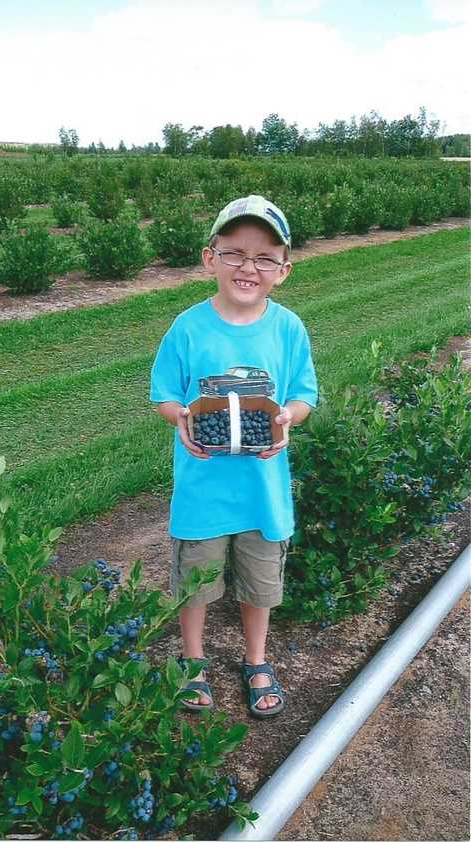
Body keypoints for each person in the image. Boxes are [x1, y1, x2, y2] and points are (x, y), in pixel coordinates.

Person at [149, 195, 318, 718]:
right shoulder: (189, 327)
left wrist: (289, 417)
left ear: (283, 271)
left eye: (265, 257)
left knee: (260, 584)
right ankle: (194, 659)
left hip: (262, 493)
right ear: (210, 258)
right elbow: (164, 396)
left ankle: (256, 659)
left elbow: (303, 396)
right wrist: (179, 417)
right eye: (235, 253)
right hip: (203, 490)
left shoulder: (288, 329)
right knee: (196, 582)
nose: (249, 266)